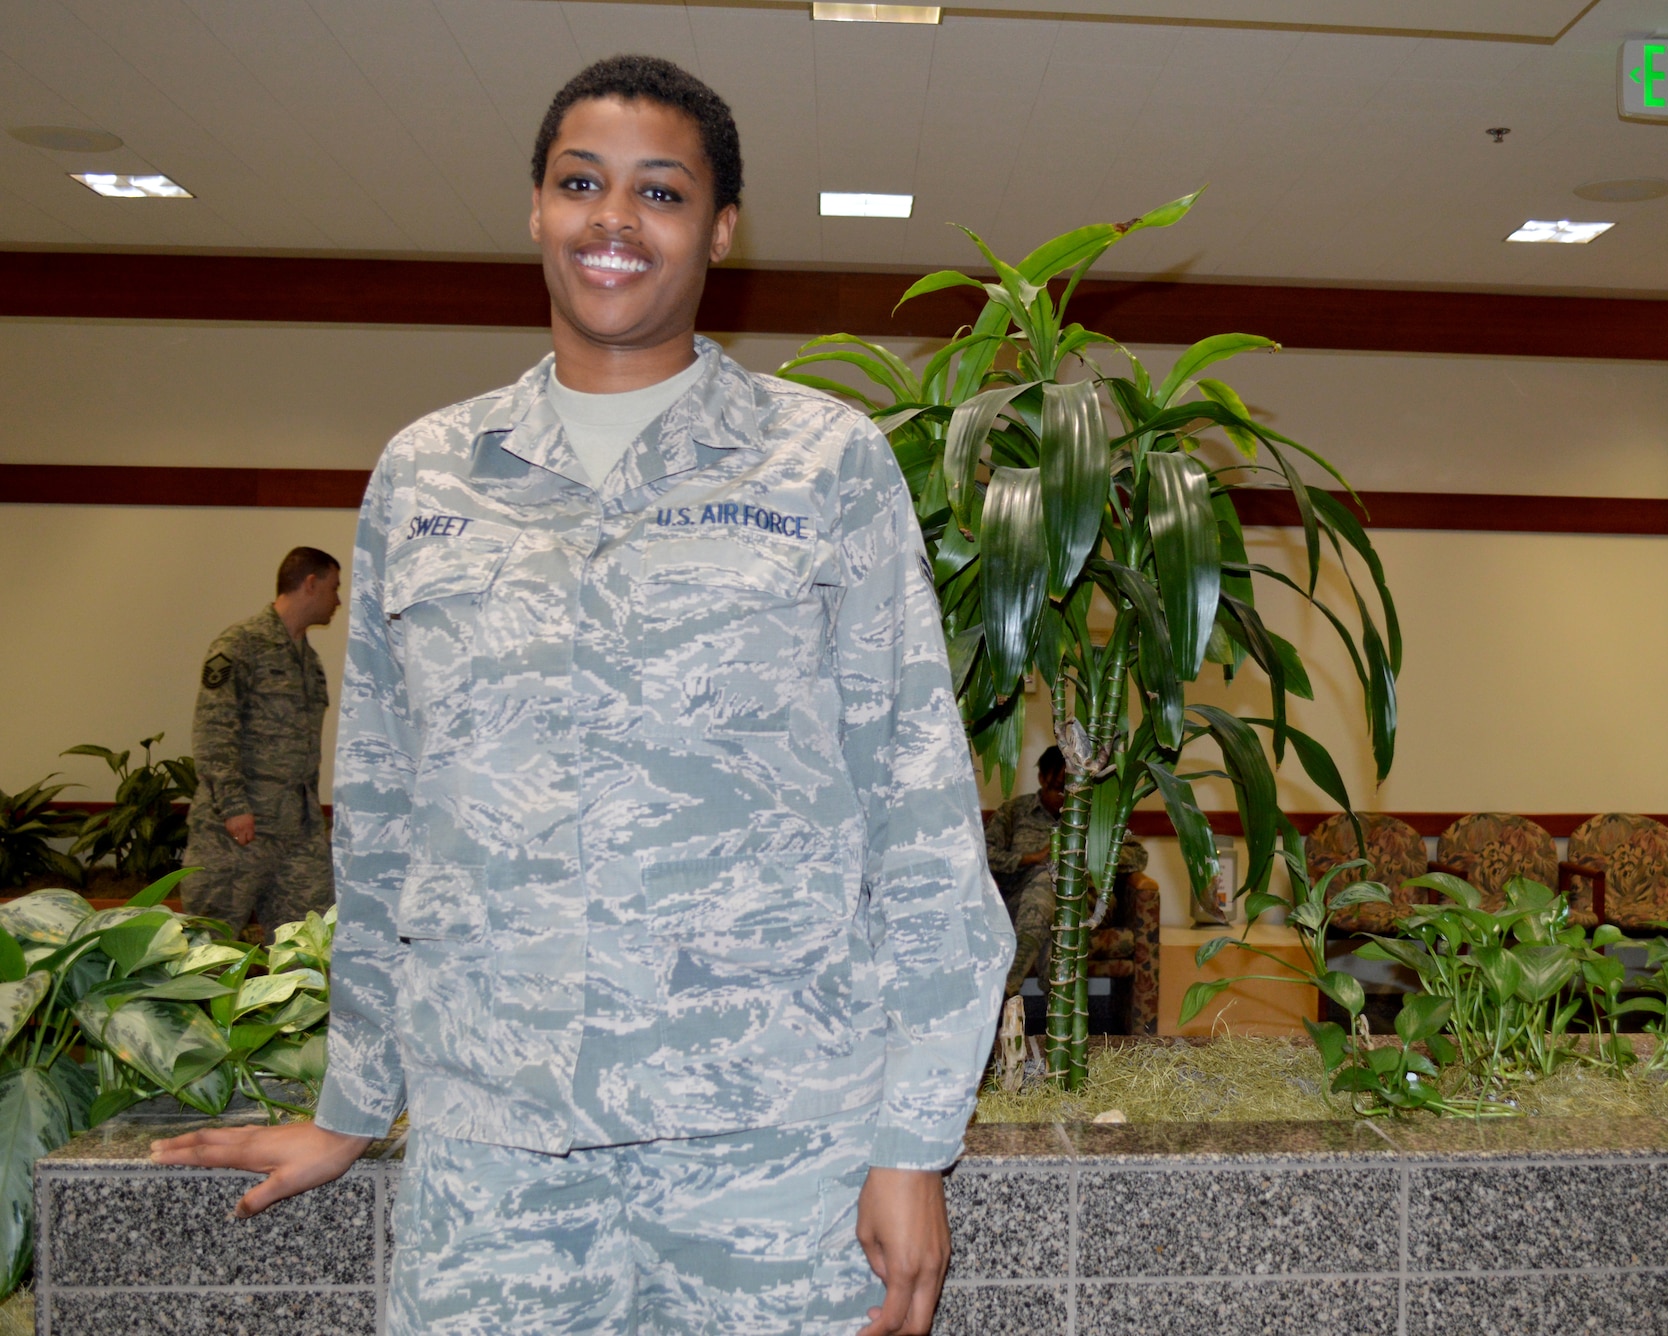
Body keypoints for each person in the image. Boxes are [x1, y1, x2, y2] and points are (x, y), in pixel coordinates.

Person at [152, 55, 1012, 1336]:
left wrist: (911, 1139)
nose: (614, 218)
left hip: (770, 1152)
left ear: (719, 228)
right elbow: (382, 821)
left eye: (659, 190)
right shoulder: (427, 475)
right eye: (580, 183)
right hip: (494, 1151)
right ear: (537, 211)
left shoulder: (823, 464)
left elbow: (918, 810)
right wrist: (349, 1103)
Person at [180, 546, 341, 935]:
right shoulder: (240, 645)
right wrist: (234, 805)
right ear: (310, 583)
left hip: (296, 832)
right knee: (209, 949)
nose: (338, 600)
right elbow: (214, 729)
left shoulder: (309, 661)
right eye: (334, 588)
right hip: (237, 831)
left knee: (308, 947)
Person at [985, 745, 1146, 999]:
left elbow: (1137, 856)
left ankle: (1007, 987)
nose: (1065, 797)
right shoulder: (1014, 813)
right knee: (1045, 883)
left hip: (1087, 903)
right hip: (1022, 901)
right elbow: (984, 856)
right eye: (1060, 788)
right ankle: (1060, 1022)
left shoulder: (1094, 815)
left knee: (1057, 886)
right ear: (1042, 778)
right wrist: (1031, 859)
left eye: (1072, 788)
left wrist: (1087, 853)